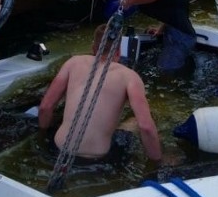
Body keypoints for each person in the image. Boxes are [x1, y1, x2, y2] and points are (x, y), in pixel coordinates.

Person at [38, 24, 162, 163]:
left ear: (93, 48)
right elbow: (146, 127)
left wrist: (43, 137)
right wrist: (156, 163)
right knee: (136, 121)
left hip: (57, 150)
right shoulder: (129, 77)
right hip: (98, 159)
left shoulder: (72, 63)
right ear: (119, 51)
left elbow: (45, 107)